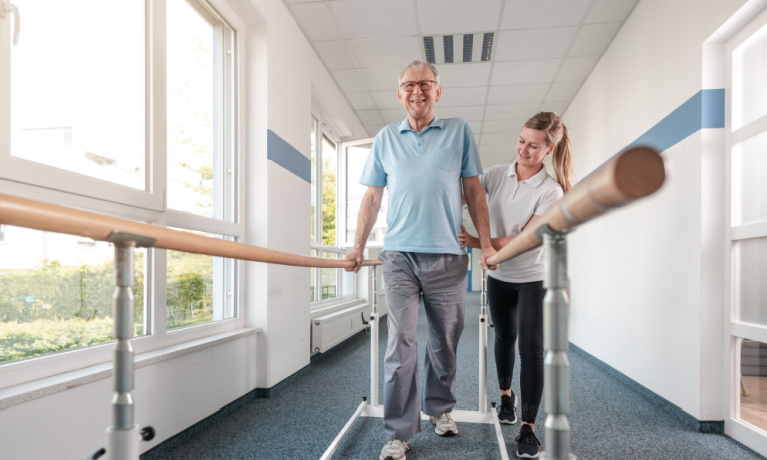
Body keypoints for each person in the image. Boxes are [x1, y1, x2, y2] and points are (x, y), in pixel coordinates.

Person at [344, 60, 497, 460]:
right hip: (399, 258)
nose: (417, 91)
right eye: (409, 85)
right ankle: (398, 431)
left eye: (425, 84)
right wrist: (359, 247)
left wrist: (488, 245)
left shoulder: (459, 131)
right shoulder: (384, 138)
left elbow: (474, 192)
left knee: (444, 342)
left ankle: (441, 409)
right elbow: (372, 198)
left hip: (448, 257)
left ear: (438, 91)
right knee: (401, 345)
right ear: (399, 93)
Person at [458, 111, 573, 459]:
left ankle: (528, 426)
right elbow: (465, 196)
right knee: (504, 337)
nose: (523, 149)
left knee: (532, 349)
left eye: (533, 145)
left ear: (549, 150)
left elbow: (528, 238)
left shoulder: (551, 191)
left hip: (532, 278)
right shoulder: (495, 174)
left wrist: (479, 242)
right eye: (522, 141)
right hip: (499, 277)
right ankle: (506, 395)